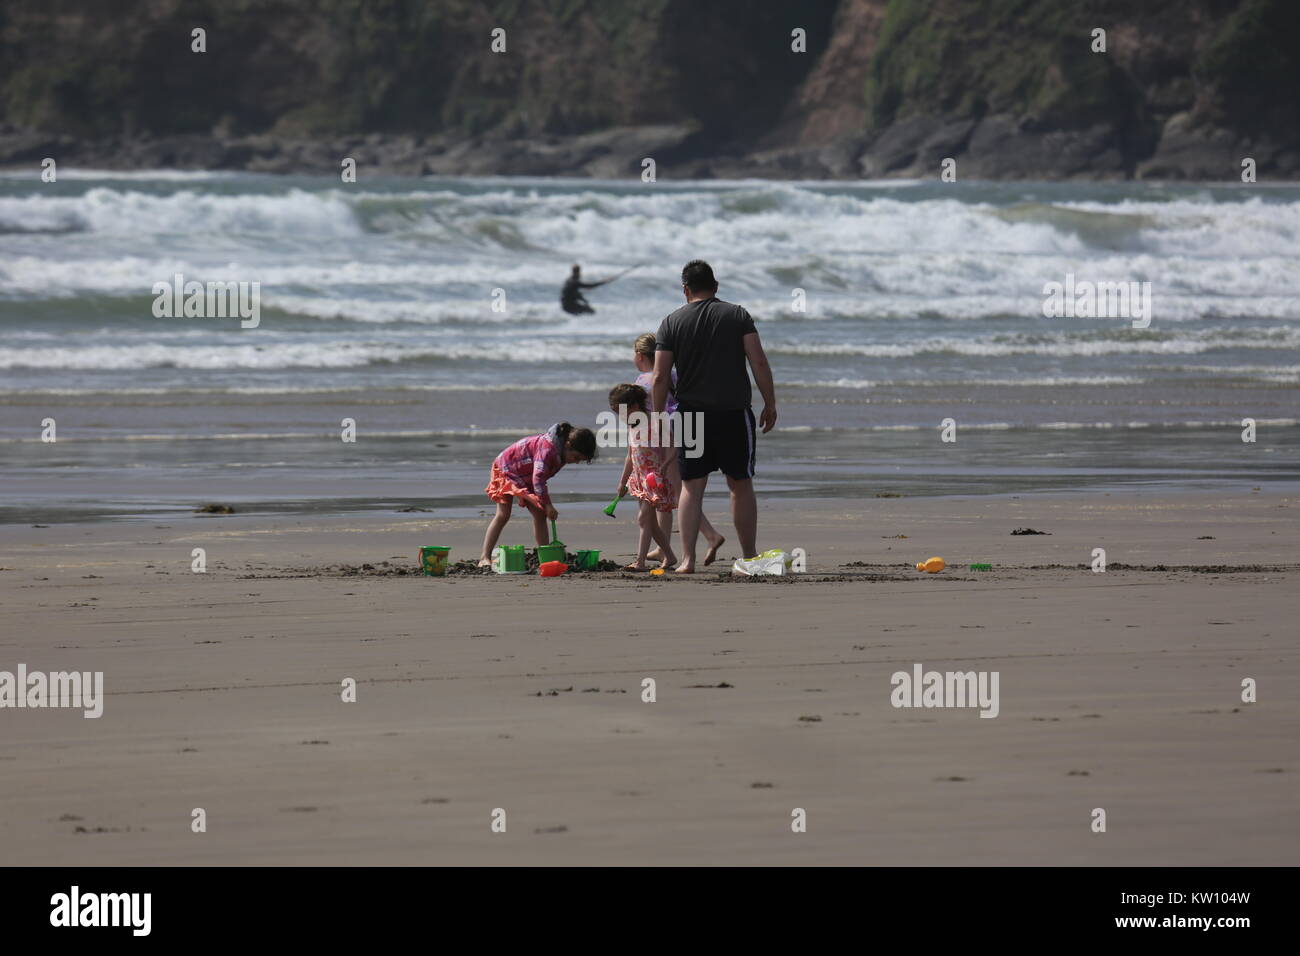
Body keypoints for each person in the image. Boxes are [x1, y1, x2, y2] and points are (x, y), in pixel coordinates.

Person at [652, 260, 776, 574]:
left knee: (692, 488)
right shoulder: (737, 315)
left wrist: (656, 418)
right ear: (716, 286)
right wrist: (770, 403)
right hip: (733, 414)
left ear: (685, 290)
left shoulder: (671, 322)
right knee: (740, 484)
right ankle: (748, 557)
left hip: (691, 416)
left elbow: (659, 377)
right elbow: (758, 362)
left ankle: (688, 561)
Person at [631, 332, 725, 564]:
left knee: (674, 494)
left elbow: (639, 418)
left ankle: (711, 535)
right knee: (670, 493)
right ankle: (663, 548)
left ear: (640, 356)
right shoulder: (673, 374)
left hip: (663, 439)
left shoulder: (642, 381)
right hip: (687, 429)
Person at [478, 422, 597, 566]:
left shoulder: (562, 454)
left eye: (580, 460)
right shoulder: (548, 450)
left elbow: (538, 478)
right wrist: (548, 505)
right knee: (503, 515)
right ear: (568, 444)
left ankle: (545, 557)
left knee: (540, 514)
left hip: (527, 476)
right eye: (577, 457)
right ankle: (484, 557)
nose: (576, 462)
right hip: (506, 469)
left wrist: (543, 505)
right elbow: (539, 478)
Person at [608, 383, 678, 571]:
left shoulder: (655, 423)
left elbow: (673, 448)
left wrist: (664, 466)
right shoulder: (632, 427)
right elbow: (630, 456)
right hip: (638, 480)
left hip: (654, 479)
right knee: (651, 523)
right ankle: (669, 556)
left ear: (634, 406)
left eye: (621, 412)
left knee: (643, 519)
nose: (621, 417)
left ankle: (639, 562)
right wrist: (622, 481)